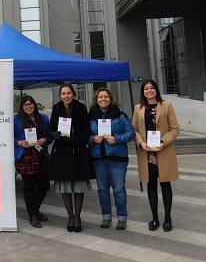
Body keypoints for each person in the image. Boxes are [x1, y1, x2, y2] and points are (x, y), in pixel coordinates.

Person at [132, 79, 180, 232]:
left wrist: (162, 141)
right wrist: (141, 143)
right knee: (151, 186)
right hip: (146, 153)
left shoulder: (166, 106)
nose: (149, 91)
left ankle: (167, 218)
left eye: (151, 88)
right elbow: (134, 130)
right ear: (143, 92)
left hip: (163, 151)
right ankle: (155, 218)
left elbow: (175, 129)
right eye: (146, 88)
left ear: (156, 90)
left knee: (165, 185)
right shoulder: (138, 108)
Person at [48, 84, 93, 232]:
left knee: (78, 187)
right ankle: (70, 217)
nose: (66, 96)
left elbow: (86, 130)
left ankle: (78, 217)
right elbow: (51, 128)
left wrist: (75, 138)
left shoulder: (81, 108)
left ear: (73, 94)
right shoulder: (56, 108)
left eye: (68, 93)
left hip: (77, 150)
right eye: (63, 93)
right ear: (60, 95)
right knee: (65, 187)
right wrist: (55, 134)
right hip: (62, 152)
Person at [88, 87, 135, 230]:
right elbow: (84, 134)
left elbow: (131, 133)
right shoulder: (90, 116)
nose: (103, 99)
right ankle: (106, 216)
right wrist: (92, 139)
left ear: (110, 99)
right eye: (100, 97)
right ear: (96, 100)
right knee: (102, 189)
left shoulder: (120, 115)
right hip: (99, 159)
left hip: (117, 159)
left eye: (106, 97)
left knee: (119, 189)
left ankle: (122, 217)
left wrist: (117, 138)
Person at [14, 95, 52, 228]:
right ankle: (33, 216)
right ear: (22, 107)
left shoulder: (43, 118)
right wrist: (19, 142)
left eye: (30, 104)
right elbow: (9, 137)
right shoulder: (16, 120)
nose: (28, 106)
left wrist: (45, 140)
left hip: (41, 154)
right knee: (29, 187)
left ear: (34, 105)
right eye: (25, 104)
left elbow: (49, 135)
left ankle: (34, 210)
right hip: (25, 156)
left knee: (44, 185)